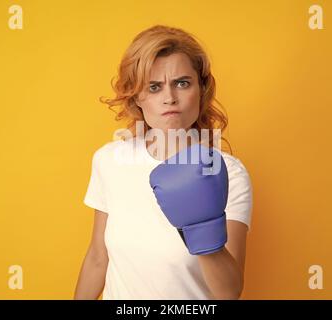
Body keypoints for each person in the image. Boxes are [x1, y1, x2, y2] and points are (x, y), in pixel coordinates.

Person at [74, 25, 253, 300]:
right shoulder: (110, 160)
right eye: (154, 87)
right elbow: (98, 258)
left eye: (182, 83)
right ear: (137, 97)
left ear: (202, 89)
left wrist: (202, 231)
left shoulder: (227, 171)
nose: (169, 98)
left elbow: (228, 293)